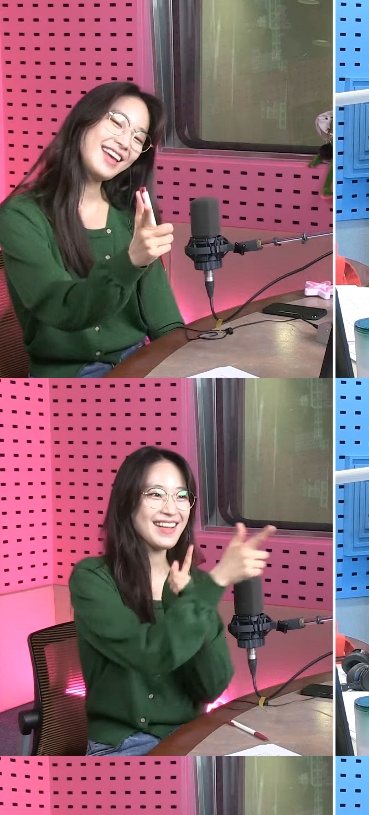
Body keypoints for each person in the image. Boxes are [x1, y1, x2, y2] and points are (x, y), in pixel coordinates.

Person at [69, 446, 276, 755]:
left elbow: (213, 685)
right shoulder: (92, 579)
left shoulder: (195, 583)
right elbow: (150, 655)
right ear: (127, 502)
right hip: (124, 743)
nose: (171, 509)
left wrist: (193, 598)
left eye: (181, 496)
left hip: (192, 734)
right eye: (156, 494)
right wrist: (217, 582)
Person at [0, 81, 184, 377]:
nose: (126, 142)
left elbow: (165, 321)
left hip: (137, 361)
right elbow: (63, 309)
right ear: (84, 119)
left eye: (139, 138)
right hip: (69, 375)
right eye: (117, 122)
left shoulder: (130, 215)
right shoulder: (21, 216)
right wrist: (131, 261)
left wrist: (192, 363)